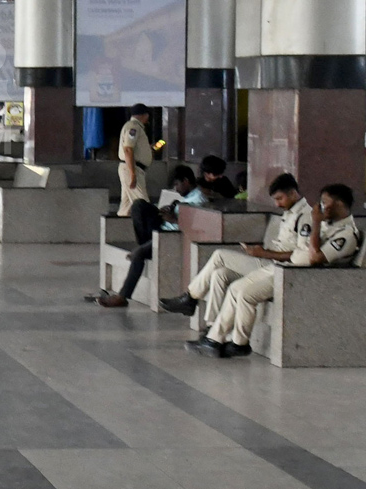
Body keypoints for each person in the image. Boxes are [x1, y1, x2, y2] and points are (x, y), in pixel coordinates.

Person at [183, 181, 361, 358]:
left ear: (339, 204)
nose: (320, 207)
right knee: (235, 288)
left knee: (246, 294)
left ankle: (231, 342)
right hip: (285, 267)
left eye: (324, 202)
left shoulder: (346, 234)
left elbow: (315, 258)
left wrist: (315, 223)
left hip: (300, 277)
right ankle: (221, 340)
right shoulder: (326, 223)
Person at [96, 164, 206, 308]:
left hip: (171, 237)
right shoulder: (187, 197)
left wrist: (174, 219)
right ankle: (144, 247)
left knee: (140, 254)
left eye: (177, 185)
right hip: (162, 229)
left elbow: (196, 226)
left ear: (186, 181)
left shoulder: (199, 199)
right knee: (138, 206)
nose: (176, 189)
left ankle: (122, 296)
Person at [117, 104, 152, 215]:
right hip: (132, 168)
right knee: (143, 204)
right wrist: (133, 174)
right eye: (147, 115)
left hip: (131, 168)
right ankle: (150, 231)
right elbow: (128, 149)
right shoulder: (133, 127)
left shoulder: (135, 127)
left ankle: (119, 227)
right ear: (143, 115)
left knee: (126, 207)